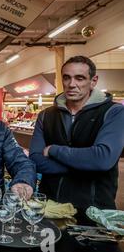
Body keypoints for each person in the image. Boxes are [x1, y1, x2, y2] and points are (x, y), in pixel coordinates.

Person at [30, 55, 124, 211]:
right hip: (50, 206)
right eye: (66, 78)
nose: (71, 84)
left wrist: (54, 150)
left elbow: (103, 158)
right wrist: (85, 165)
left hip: (94, 210)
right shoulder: (46, 115)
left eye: (79, 78)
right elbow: (35, 159)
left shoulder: (114, 112)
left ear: (93, 81)